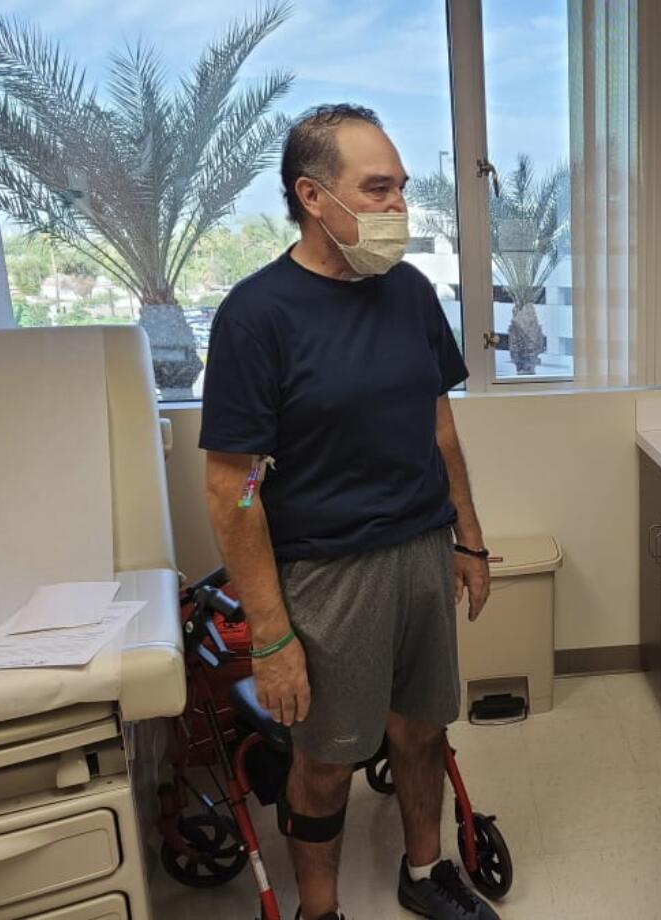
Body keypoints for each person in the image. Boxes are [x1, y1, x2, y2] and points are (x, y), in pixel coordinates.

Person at [200, 104, 500, 920]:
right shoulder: (257, 316)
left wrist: (470, 541)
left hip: (423, 550)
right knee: (326, 761)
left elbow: (438, 425)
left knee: (423, 731)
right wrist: (270, 635)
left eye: (400, 188)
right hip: (326, 575)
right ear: (313, 197)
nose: (399, 206)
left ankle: (426, 869)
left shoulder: (408, 292)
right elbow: (235, 486)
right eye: (377, 189)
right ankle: (320, 909)